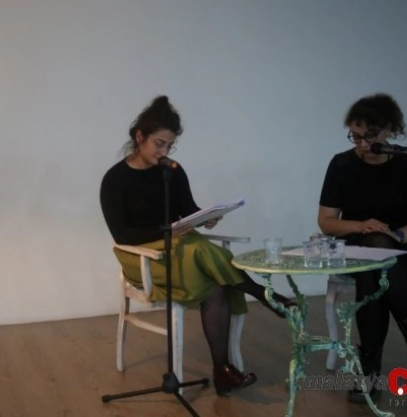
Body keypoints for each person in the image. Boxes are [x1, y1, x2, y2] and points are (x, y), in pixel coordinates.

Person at [99, 95, 295, 396]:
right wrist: (167, 231)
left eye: (170, 145)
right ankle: (262, 292)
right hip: (140, 255)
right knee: (199, 249)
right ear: (140, 137)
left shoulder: (173, 171)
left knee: (216, 286)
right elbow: (122, 235)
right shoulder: (115, 179)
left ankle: (223, 371)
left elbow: (188, 211)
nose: (164, 152)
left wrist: (207, 217)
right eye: (159, 144)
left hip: (179, 249)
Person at [317, 93, 407, 403]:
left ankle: (369, 374)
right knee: (373, 259)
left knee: (374, 266)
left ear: (389, 130)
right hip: (358, 245)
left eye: (369, 136)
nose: (361, 144)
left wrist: (395, 234)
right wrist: (361, 225)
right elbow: (327, 221)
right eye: (355, 136)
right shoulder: (342, 164)